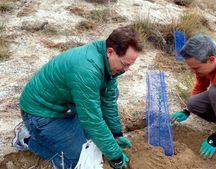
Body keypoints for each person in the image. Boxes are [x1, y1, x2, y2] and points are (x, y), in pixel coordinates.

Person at [13, 26, 143, 169]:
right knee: (78, 161)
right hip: (41, 113)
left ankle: (50, 133)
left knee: (94, 141)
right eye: (125, 64)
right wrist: (116, 157)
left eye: (129, 66)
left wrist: (116, 133)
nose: (126, 70)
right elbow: (92, 121)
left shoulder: (108, 64)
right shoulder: (88, 70)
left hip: (66, 106)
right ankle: (27, 138)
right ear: (110, 52)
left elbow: (108, 101)